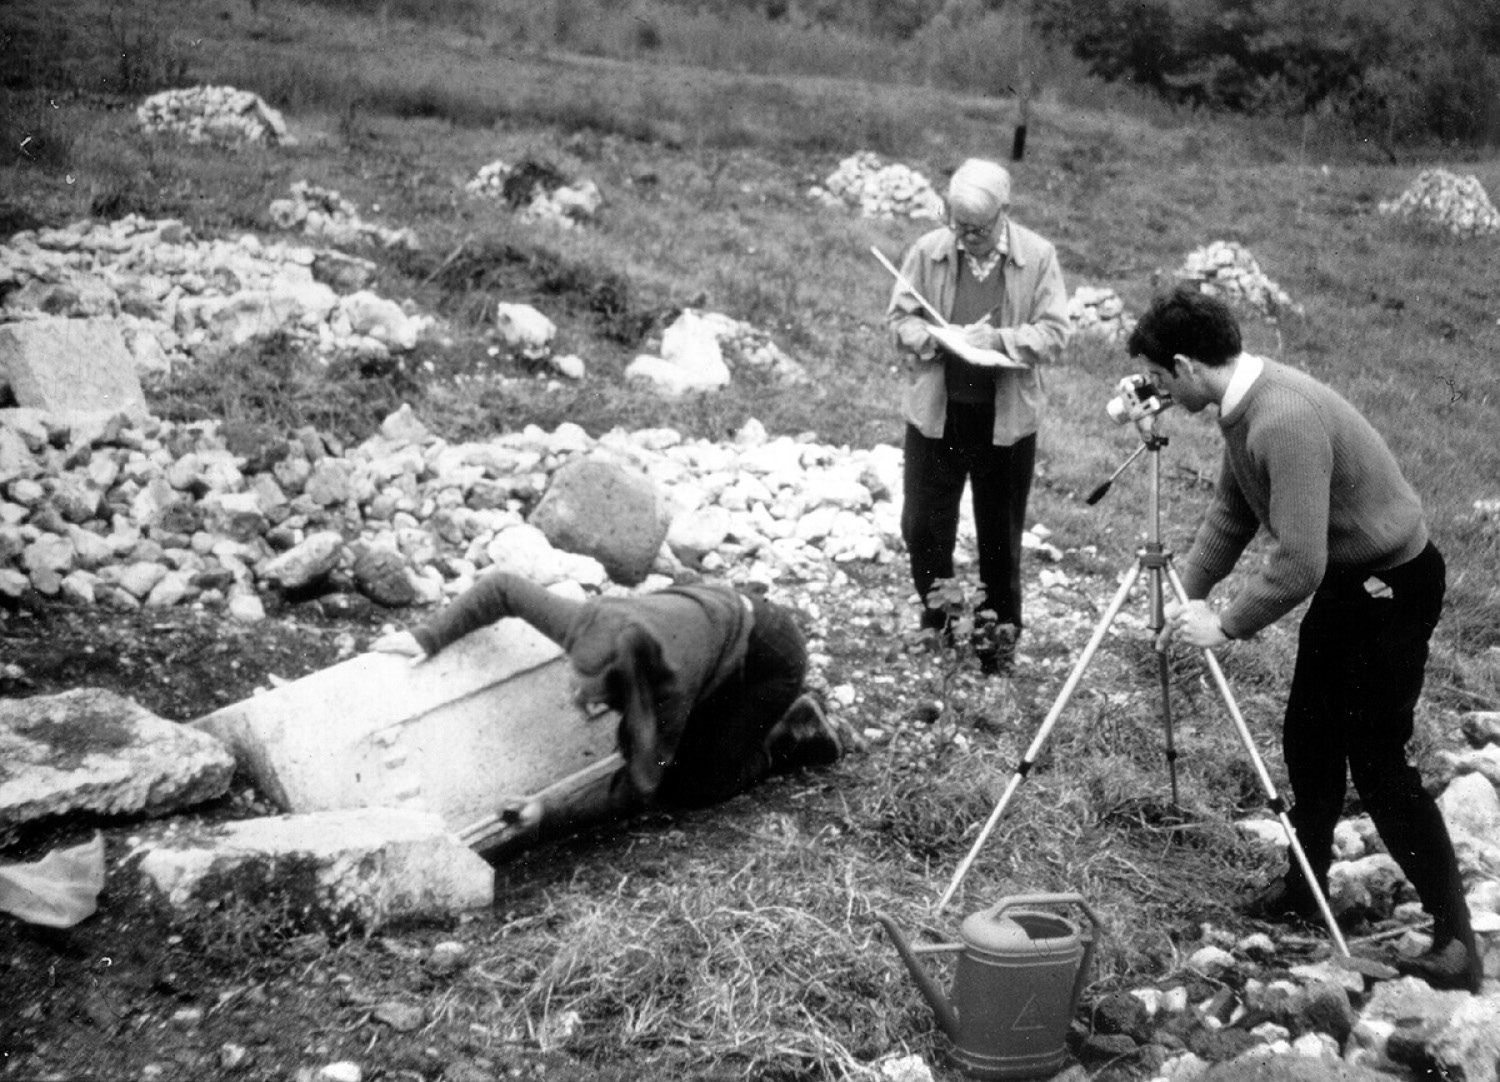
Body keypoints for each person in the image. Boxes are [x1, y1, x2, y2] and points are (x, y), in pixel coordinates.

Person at [1139, 285, 1480, 993]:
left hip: (1392, 584)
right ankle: (1305, 887)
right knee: (1309, 738)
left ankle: (1456, 940)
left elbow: (1299, 563)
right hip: (1351, 584)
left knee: (1378, 760)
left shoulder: (1281, 418)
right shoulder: (1243, 409)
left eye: (1158, 377)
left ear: (1184, 365)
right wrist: (1189, 591)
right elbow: (1232, 515)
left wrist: (1226, 624)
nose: (1156, 391)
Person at [372, 571, 844, 857]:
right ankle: (750, 722)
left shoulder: (668, 691)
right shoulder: (586, 623)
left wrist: (547, 812)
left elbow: (640, 786)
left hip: (769, 660)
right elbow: (503, 588)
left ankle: (791, 735)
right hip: (715, 622)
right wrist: (428, 636)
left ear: (633, 687)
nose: (583, 703)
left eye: (598, 700)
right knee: (678, 751)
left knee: (692, 786)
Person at [886, 157, 1070, 672]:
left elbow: (1055, 332)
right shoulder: (930, 250)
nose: (966, 238)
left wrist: (1001, 340)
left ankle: (996, 644)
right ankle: (939, 624)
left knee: (999, 537)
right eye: (958, 226)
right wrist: (932, 338)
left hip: (1004, 423)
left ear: (1005, 213)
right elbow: (900, 316)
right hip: (937, 416)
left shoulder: (1037, 257)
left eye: (979, 229)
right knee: (922, 527)